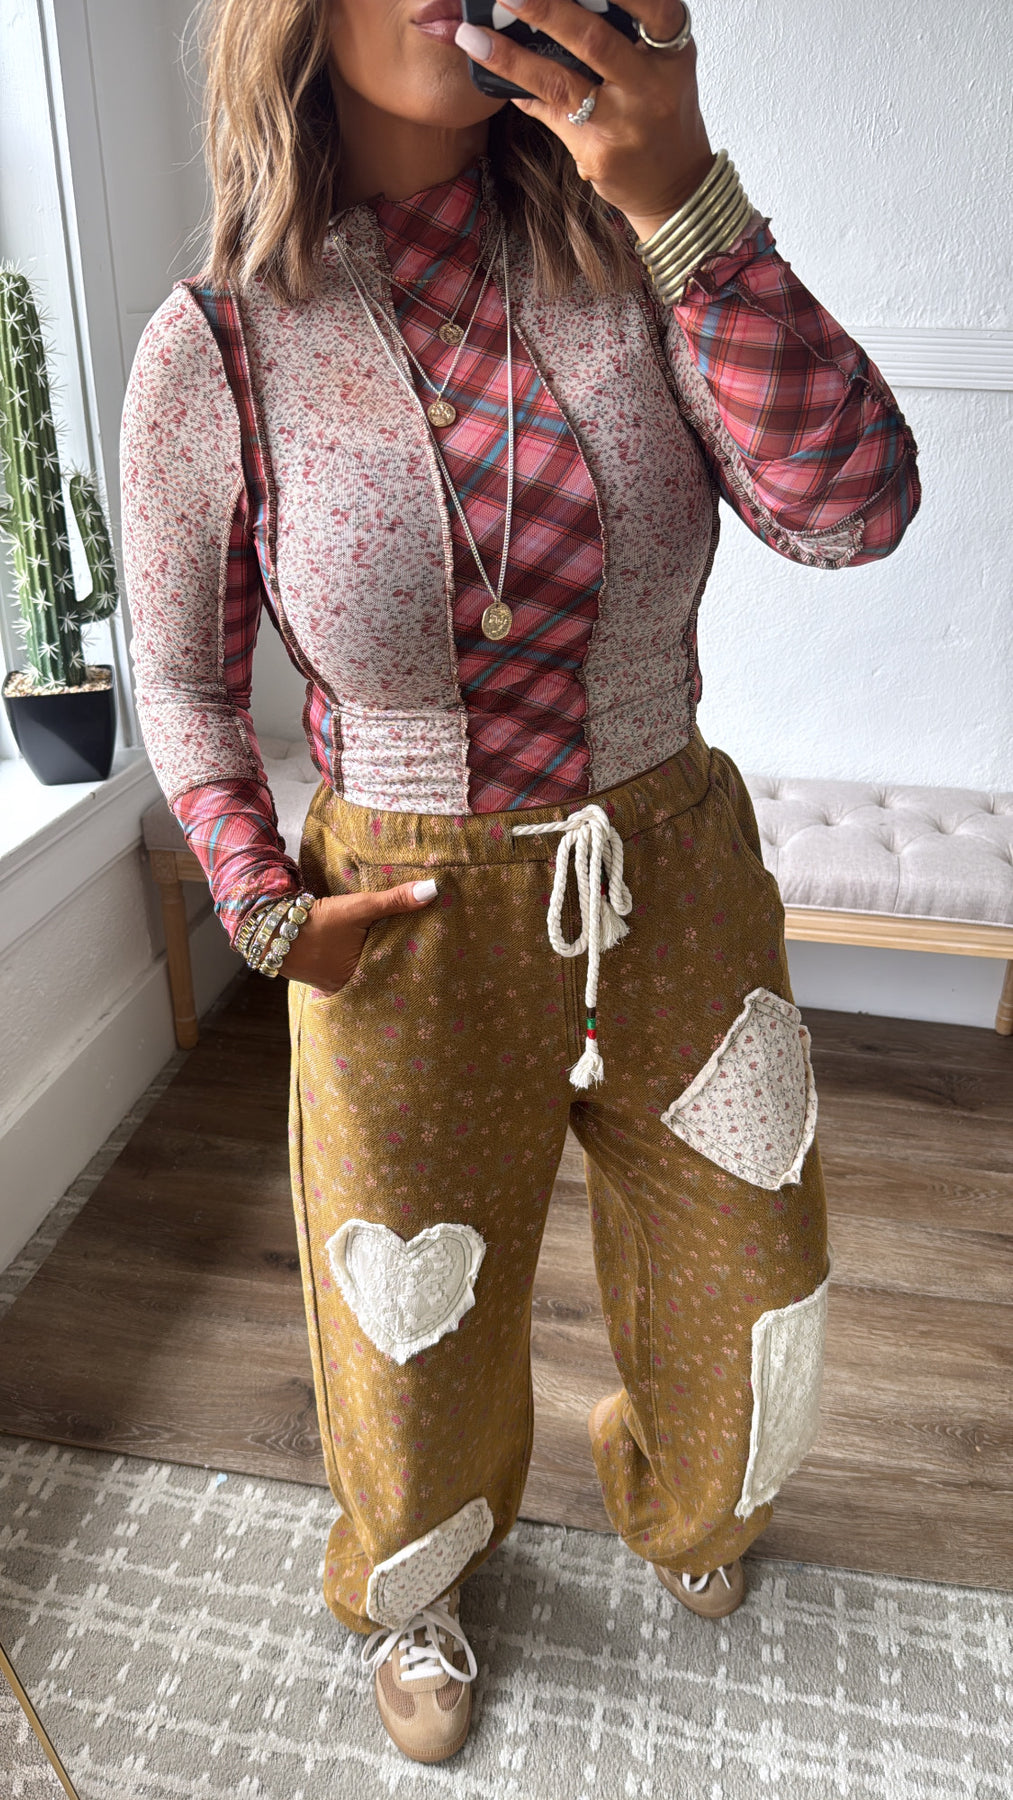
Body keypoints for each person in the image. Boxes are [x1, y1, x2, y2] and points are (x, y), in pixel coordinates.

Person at [120, 0, 920, 1765]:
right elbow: (177, 677)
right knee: (403, 1313)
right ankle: (418, 1587)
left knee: (753, 1260)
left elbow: (851, 511)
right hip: (404, 921)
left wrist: (683, 196)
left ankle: (694, 1503)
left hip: (672, 875)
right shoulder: (220, 344)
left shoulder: (638, 260)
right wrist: (257, 896)